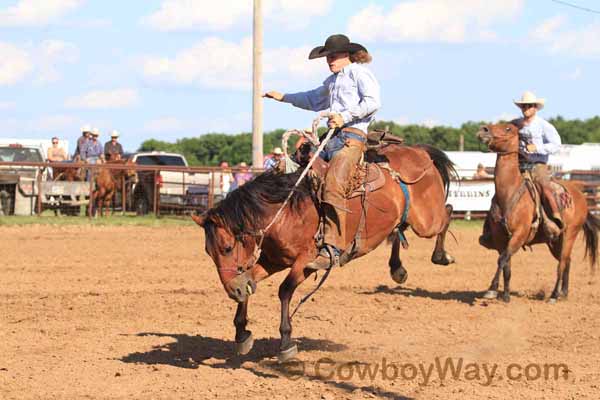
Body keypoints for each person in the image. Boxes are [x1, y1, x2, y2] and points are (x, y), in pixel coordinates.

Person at [264, 33, 381, 269]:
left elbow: (373, 102)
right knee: (289, 169)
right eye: (327, 57)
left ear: (347, 55)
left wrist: (344, 116)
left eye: (334, 56)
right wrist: (284, 97)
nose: (330, 60)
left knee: (334, 184)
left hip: (352, 139)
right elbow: (313, 99)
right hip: (330, 139)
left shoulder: (360, 73)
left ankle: (333, 246)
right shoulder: (333, 81)